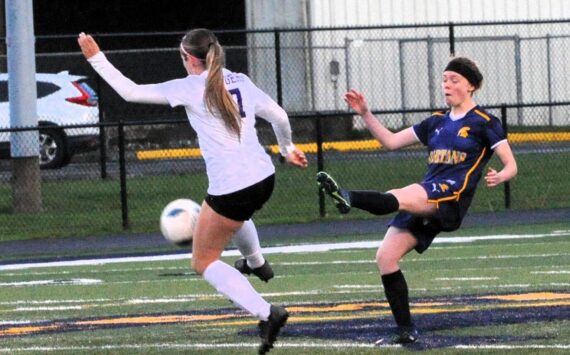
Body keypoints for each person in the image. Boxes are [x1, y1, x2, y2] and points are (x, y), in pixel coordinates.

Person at [78, 28, 308, 354]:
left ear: (189, 58)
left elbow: (130, 92)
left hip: (233, 188)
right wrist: (286, 149)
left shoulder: (189, 87)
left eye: (181, 56)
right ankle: (257, 262)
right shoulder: (239, 80)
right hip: (264, 178)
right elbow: (279, 116)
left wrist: (96, 58)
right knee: (234, 217)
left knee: (203, 261)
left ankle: (267, 313)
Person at [317, 56, 517, 344]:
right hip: (428, 193)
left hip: (451, 196)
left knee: (404, 194)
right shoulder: (435, 121)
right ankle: (405, 329)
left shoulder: (485, 122)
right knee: (385, 257)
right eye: (445, 79)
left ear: (471, 86)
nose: (446, 84)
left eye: (454, 80)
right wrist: (365, 113)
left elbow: (511, 164)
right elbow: (390, 142)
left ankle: (348, 197)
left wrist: (501, 176)